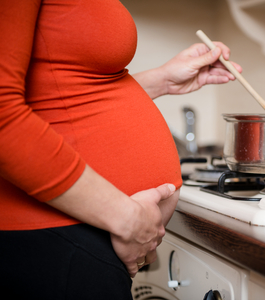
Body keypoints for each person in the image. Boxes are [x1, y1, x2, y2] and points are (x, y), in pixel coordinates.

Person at [0, 0, 242, 299]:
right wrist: (126, 218)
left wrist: (163, 79)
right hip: (54, 239)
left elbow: (65, 95)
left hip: (78, 237)